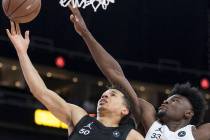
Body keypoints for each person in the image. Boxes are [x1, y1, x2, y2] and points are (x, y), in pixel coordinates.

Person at [68, 5, 210, 140]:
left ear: (188, 113)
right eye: (168, 98)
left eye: (175, 100)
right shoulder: (148, 116)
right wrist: (86, 34)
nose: (166, 101)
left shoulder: (198, 134)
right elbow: (116, 75)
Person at [6, 21, 144, 140]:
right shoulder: (79, 117)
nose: (105, 95)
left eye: (112, 94)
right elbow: (41, 92)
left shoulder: (131, 136)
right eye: (105, 94)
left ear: (124, 110)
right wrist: (22, 52)